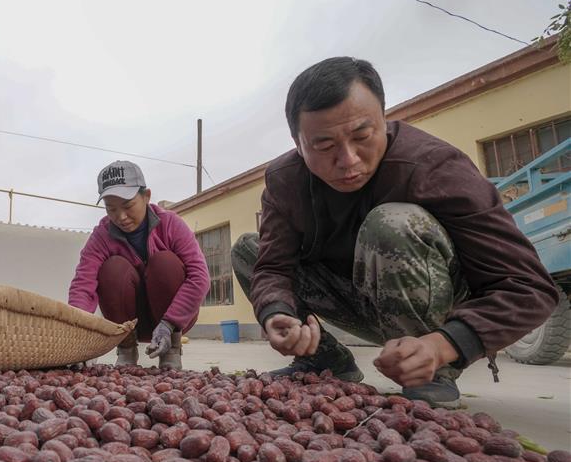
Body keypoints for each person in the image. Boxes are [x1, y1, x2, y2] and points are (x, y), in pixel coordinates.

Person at [232, 57, 559, 407]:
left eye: (362, 135)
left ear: (384, 121)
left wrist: (445, 343)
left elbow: (529, 288)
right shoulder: (285, 181)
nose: (349, 160)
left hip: (437, 314)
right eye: (324, 146)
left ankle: (428, 369)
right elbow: (273, 268)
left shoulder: (434, 166)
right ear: (298, 144)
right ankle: (325, 359)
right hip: (355, 301)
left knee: (391, 222)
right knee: (248, 249)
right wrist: (277, 313)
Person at [69, 160, 210, 369]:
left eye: (127, 206)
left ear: (147, 196)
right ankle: (126, 349)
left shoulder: (171, 224)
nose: (121, 217)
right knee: (113, 269)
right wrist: (79, 334)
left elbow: (200, 276)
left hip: (172, 320)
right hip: (127, 322)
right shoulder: (102, 235)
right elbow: (83, 283)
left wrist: (169, 324)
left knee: (165, 263)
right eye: (111, 209)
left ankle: (171, 350)